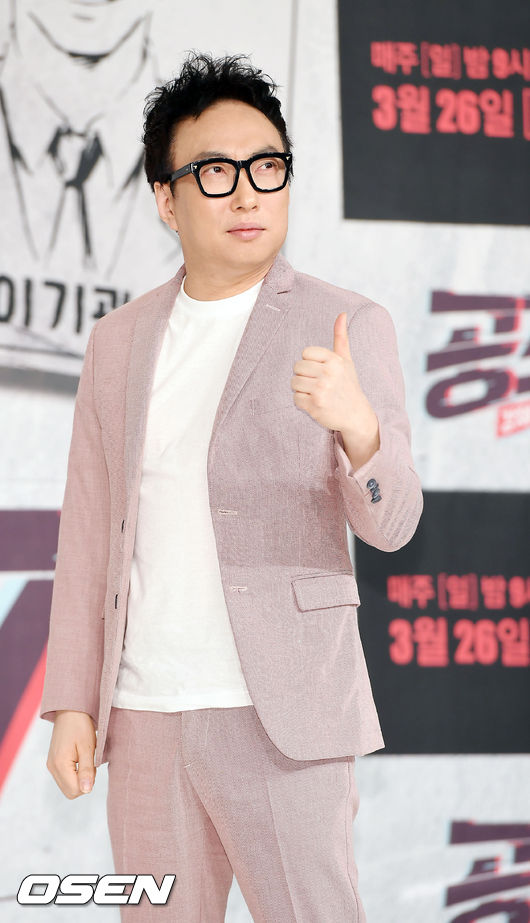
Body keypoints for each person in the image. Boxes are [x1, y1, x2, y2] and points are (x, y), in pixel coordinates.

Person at [40, 52, 424, 922]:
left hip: (284, 715)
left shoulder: (346, 323)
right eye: (216, 172)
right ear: (166, 198)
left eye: (267, 167)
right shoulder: (116, 341)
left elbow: (396, 523)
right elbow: (91, 532)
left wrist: (359, 429)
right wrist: (71, 703)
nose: (248, 193)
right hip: (143, 715)